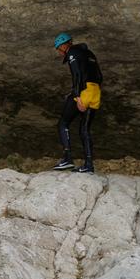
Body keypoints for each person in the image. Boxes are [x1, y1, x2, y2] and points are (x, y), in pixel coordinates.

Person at [52, 32, 102, 173]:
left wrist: (78, 97)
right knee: (84, 130)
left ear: (63, 45)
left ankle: (67, 159)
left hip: (84, 91)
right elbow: (100, 76)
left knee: (63, 123)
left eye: (58, 48)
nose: (59, 52)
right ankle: (89, 165)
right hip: (96, 92)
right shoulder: (89, 54)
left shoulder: (72, 53)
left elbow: (77, 75)